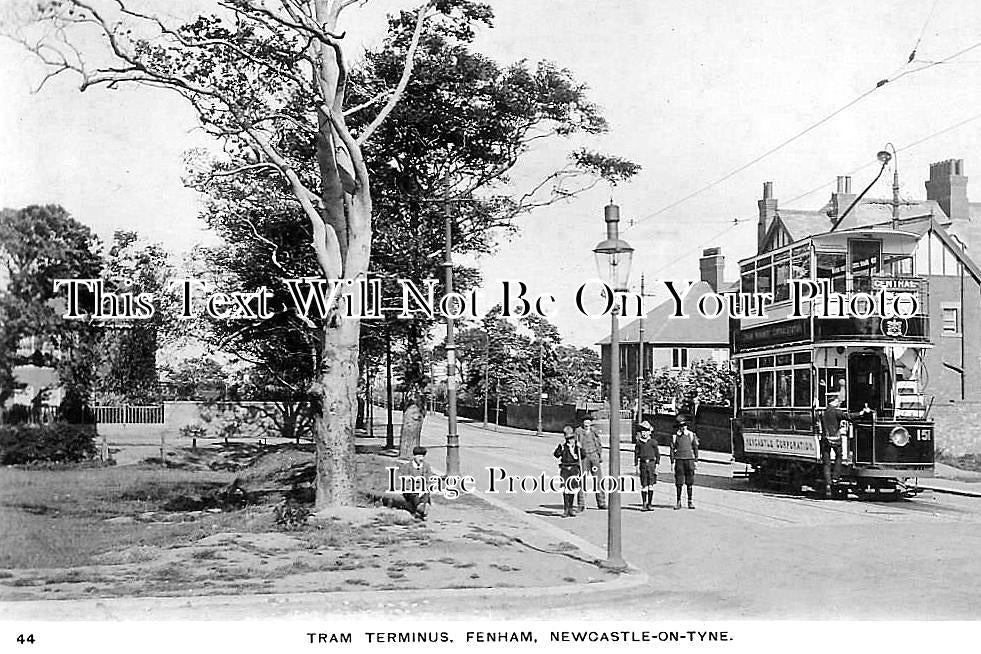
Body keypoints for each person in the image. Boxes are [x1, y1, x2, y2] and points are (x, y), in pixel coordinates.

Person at [820, 397, 871, 498]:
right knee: (839, 456)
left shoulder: (823, 412)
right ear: (833, 402)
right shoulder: (836, 412)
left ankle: (828, 483)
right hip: (835, 439)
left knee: (826, 462)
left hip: (825, 439)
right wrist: (862, 413)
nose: (838, 403)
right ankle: (835, 477)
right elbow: (848, 416)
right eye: (837, 401)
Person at [575, 417, 607, 510]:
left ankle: (601, 502)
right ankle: (581, 503)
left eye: (588, 422)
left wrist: (599, 455)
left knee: (598, 479)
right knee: (582, 480)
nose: (586, 424)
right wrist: (577, 445)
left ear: (590, 423)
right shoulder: (578, 432)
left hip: (594, 456)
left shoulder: (594, 432)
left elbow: (599, 444)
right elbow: (573, 443)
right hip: (584, 457)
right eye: (585, 422)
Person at [398, 446, 436, 520]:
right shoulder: (407, 466)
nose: (421, 458)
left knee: (426, 494)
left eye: (423, 456)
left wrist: (424, 488)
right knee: (415, 496)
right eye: (419, 456)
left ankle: (422, 508)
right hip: (411, 490)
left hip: (423, 489)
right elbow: (405, 482)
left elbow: (429, 480)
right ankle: (421, 510)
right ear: (414, 456)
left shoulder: (426, 466)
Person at [670, 414, 699, 510]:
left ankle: (690, 501)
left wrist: (696, 460)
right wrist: (672, 462)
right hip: (679, 460)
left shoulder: (691, 435)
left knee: (689, 482)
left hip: (689, 460)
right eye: (681, 426)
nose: (683, 428)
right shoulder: (675, 437)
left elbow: (695, 448)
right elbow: (672, 450)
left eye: (684, 425)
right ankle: (678, 501)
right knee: (679, 482)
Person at [553, 427, 583, 517]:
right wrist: (559, 449)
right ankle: (566, 509)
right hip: (565, 469)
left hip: (574, 468)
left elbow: (583, 456)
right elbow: (556, 455)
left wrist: (580, 449)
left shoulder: (576, 447)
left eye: (572, 438)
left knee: (572, 488)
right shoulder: (563, 447)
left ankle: (570, 508)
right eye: (568, 439)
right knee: (566, 489)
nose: (571, 440)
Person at [634, 420, 660, 511]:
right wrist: (636, 466)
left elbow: (657, 455)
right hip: (643, 464)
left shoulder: (653, 442)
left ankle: (650, 503)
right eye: (642, 432)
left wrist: (657, 466)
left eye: (646, 431)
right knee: (644, 484)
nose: (644, 433)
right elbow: (636, 455)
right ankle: (644, 503)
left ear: (649, 432)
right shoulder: (639, 443)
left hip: (651, 464)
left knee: (651, 485)